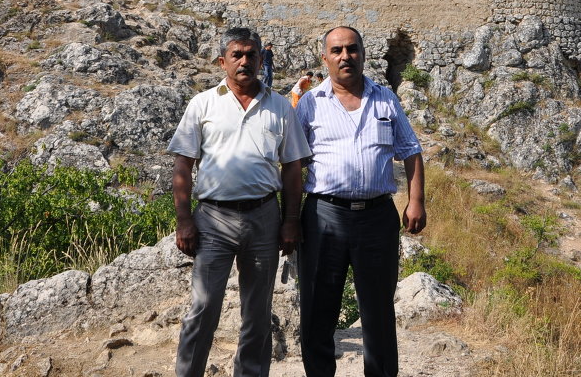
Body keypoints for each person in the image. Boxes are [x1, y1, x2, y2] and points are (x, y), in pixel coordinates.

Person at [167, 27, 312, 377]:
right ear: (222, 61)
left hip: (264, 219)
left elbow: (292, 169)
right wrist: (184, 220)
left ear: (262, 59)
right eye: (237, 55)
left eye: (252, 55)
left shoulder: (279, 106)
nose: (245, 61)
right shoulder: (202, 104)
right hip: (213, 221)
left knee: (257, 313)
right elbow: (183, 166)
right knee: (202, 308)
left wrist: (291, 220)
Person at [295, 26, 426, 377]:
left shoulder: (385, 99)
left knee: (379, 312)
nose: (345, 56)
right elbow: (292, 164)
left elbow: (411, 151)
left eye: (352, 49)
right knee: (318, 310)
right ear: (325, 58)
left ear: (363, 54)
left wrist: (416, 201)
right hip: (323, 216)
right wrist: (289, 219)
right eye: (336, 50)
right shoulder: (309, 104)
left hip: (377, 218)